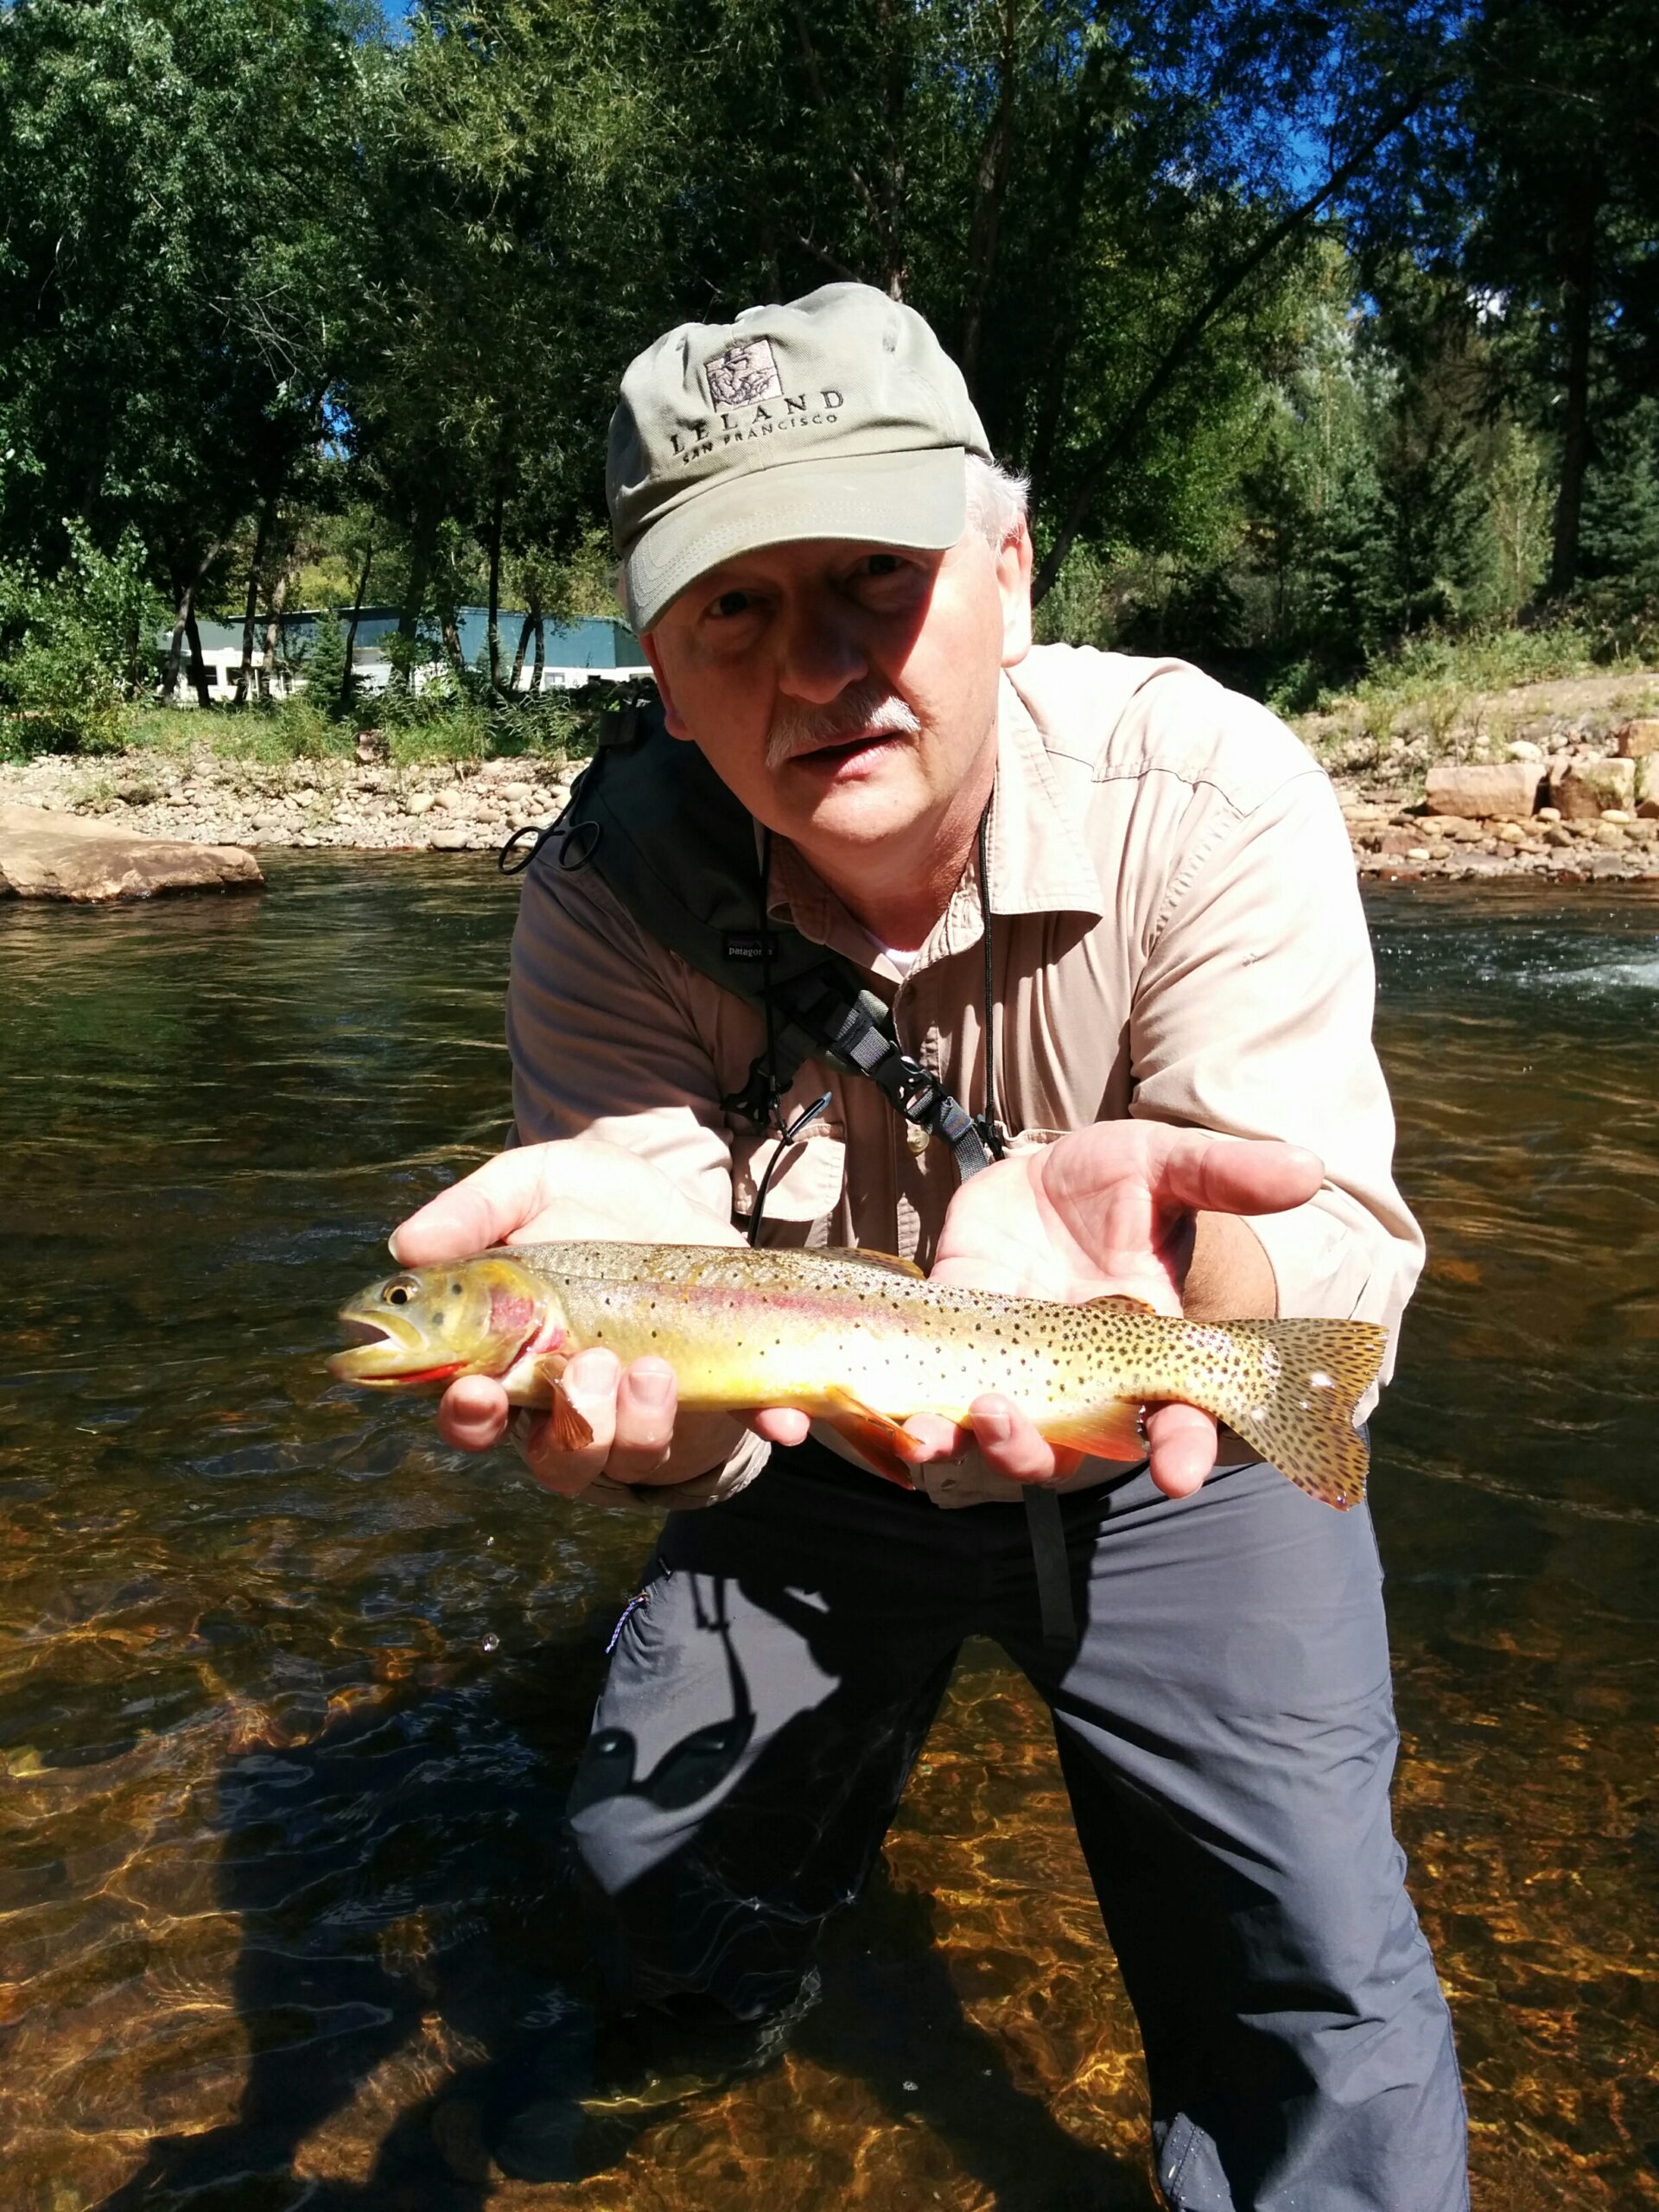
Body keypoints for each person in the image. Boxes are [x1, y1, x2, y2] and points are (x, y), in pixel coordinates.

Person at [391, 283, 1469, 2209]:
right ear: (657, 651)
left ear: (1009, 563)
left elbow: (1327, 1251)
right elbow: (689, 1363)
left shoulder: (1211, 793)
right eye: (737, 604)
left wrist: (1186, 1332)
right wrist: (661, 1422)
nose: (818, 664)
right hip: (829, 1434)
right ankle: (723, 2016)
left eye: (873, 577)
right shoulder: (606, 904)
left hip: (1175, 1446)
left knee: (1308, 1965)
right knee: (644, 1869)